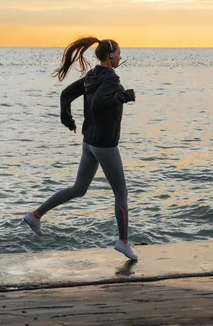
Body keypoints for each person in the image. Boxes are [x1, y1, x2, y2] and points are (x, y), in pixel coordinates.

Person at [23, 37, 138, 261]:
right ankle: (123, 242)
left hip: (89, 143)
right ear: (111, 55)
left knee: (79, 189)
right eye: (120, 53)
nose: (121, 57)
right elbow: (100, 102)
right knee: (121, 192)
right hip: (104, 144)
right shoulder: (111, 79)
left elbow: (66, 93)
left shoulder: (91, 77)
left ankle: (35, 215)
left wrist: (67, 118)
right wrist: (125, 96)